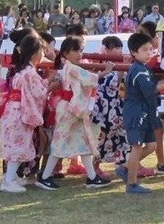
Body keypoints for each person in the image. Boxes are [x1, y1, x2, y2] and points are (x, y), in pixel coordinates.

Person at [37, 37, 114, 191]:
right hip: (70, 109)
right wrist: (106, 71)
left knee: (82, 141)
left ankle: (92, 177)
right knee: (60, 143)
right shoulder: (72, 68)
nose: (80, 54)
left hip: (70, 108)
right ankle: (44, 176)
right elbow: (90, 79)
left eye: (81, 50)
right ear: (66, 53)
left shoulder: (67, 67)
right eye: (76, 50)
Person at [118, 32, 164, 194]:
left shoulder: (144, 68)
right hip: (136, 114)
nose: (149, 52)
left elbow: (156, 84)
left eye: (150, 49)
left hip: (144, 113)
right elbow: (152, 88)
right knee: (136, 147)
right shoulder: (137, 70)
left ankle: (125, 167)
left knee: (152, 145)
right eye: (144, 49)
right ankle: (131, 184)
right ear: (133, 52)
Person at [0, 34, 50, 193]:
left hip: (12, 110)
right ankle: (8, 181)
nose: (43, 55)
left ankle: (10, 177)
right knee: (18, 146)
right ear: (34, 53)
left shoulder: (21, 71)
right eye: (42, 51)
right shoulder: (30, 73)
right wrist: (50, 83)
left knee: (13, 144)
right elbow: (39, 93)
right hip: (20, 112)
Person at [92, 36, 130, 176]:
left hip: (119, 107)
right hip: (107, 108)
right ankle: (96, 165)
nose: (120, 51)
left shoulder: (117, 64)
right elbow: (110, 85)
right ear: (106, 50)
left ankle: (124, 165)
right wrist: (120, 72)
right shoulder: (102, 64)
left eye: (120, 47)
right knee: (106, 137)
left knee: (123, 138)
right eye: (116, 48)